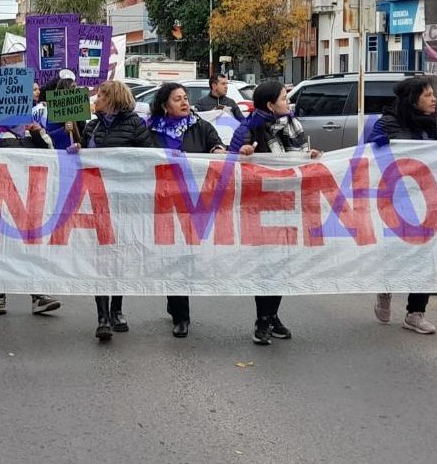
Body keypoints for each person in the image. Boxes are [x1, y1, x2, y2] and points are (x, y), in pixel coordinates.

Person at [229, 80, 321, 345]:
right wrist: (242, 153)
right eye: (283, 98)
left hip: (288, 204)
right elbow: (230, 167)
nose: (288, 103)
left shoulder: (293, 126)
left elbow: (298, 158)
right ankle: (262, 320)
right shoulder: (248, 130)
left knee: (282, 264)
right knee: (266, 265)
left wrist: (309, 157)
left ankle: (272, 316)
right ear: (270, 105)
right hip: (258, 208)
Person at [368, 76, 437, 335]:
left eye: (433, 95)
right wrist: (378, 147)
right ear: (412, 100)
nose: (434, 99)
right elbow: (365, 160)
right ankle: (385, 287)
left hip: (430, 201)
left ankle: (415, 313)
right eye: (428, 95)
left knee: (426, 256)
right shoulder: (387, 124)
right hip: (395, 201)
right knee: (396, 252)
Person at [71, 80, 154, 340]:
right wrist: (77, 150)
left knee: (120, 256)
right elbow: (84, 160)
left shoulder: (134, 125)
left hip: (125, 201)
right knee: (101, 257)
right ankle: (102, 316)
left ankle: (117, 308)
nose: (95, 99)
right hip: (97, 200)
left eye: (100, 95)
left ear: (112, 98)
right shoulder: (92, 127)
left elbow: (149, 158)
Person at [149, 82, 227, 338]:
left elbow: (216, 145)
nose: (184, 103)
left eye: (185, 98)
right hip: (163, 203)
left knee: (189, 258)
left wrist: (217, 150)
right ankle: (181, 316)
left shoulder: (200, 126)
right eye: (177, 99)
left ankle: (175, 300)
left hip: (195, 204)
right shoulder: (148, 131)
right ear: (164, 105)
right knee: (175, 257)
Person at [0, 115, 62, 316]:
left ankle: (37, 296)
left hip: (29, 198)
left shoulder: (32, 130)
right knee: (2, 247)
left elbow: (51, 154)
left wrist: (39, 133)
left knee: (30, 248)